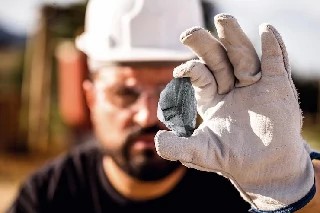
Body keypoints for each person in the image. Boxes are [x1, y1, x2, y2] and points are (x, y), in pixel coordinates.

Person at [7, 0, 320, 212]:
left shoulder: (243, 179)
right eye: (125, 93)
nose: (148, 114)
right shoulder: (47, 198)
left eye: (171, 90)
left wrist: (294, 182)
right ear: (91, 98)